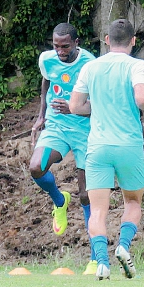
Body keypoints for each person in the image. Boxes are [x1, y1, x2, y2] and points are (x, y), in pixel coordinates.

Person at [69, 19, 144, 281]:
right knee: (133, 201)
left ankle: (102, 263)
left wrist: (96, 107)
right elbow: (142, 98)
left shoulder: (90, 67)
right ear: (133, 40)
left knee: (97, 211)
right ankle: (124, 247)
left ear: (106, 40)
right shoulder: (137, 65)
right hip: (128, 144)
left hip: (98, 146)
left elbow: (75, 106)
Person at [29, 23, 94, 237]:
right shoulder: (47, 60)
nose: (60, 51)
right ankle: (60, 201)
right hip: (56, 126)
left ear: (76, 43)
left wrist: (74, 108)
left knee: (86, 195)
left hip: (84, 131)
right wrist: (41, 116)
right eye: (56, 46)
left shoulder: (90, 64)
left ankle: (95, 259)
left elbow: (98, 103)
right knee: (36, 167)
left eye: (65, 47)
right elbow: (46, 82)